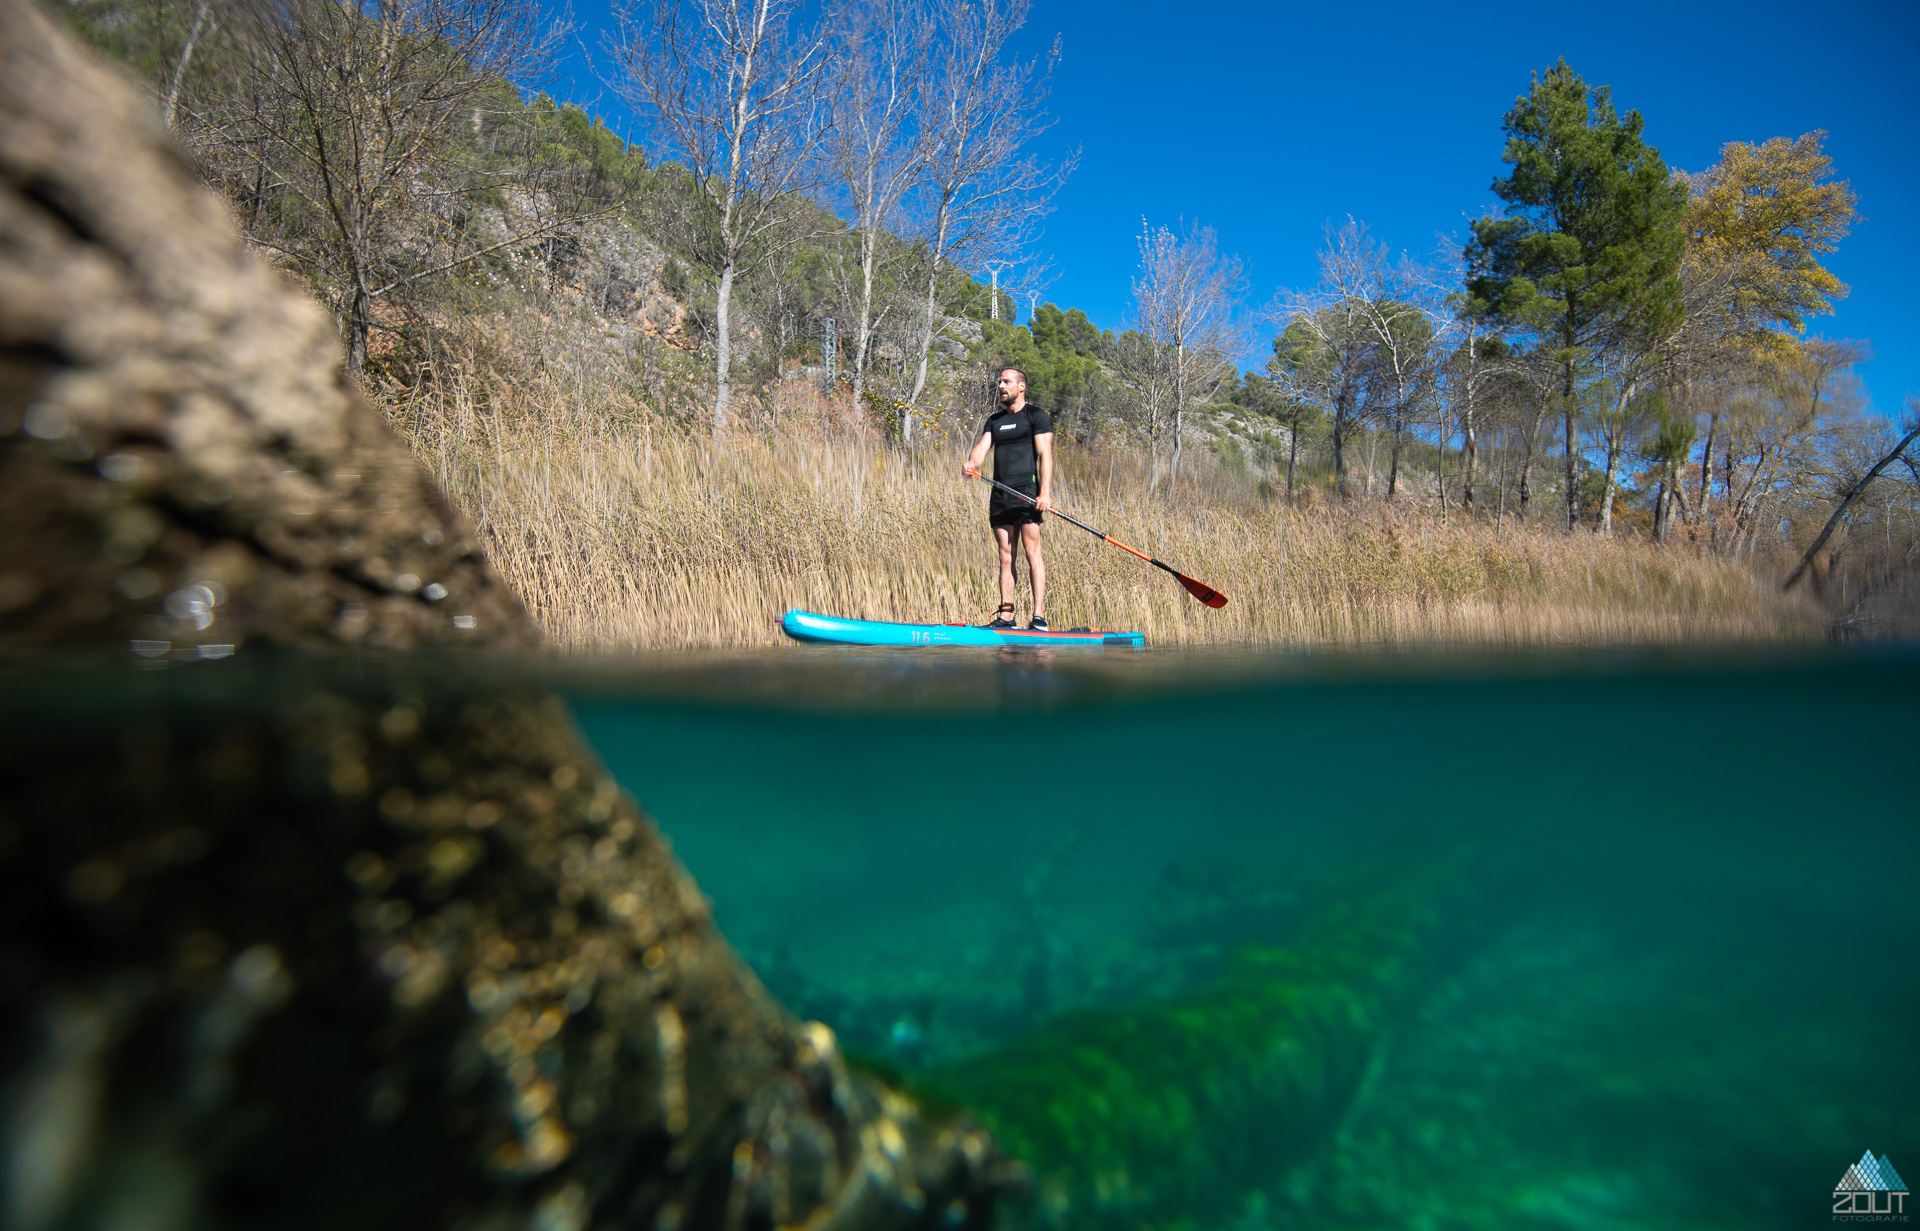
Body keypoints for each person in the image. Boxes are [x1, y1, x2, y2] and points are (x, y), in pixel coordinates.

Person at [962, 367, 1053, 630]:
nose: (1001, 385)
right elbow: (981, 448)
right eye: (999, 382)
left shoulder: (1035, 416)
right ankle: (1007, 617)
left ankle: (1038, 618)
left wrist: (1044, 492)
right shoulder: (995, 421)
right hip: (1000, 496)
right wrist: (971, 462)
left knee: (1032, 552)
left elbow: (1045, 454)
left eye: (1007, 382)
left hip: (1026, 493)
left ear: (1021, 386)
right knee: (1005, 555)